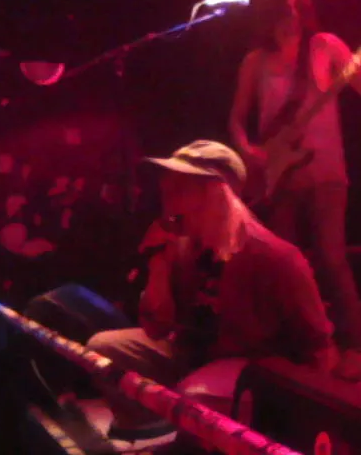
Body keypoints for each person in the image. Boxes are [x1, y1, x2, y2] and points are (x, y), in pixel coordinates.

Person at [78, 140, 337, 441]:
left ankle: (208, 436)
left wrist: (308, 420)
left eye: (179, 190)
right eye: (166, 190)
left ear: (215, 192)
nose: (168, 203)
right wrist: (158, 261)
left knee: (195, 393)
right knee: (102, 347)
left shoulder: (273, 256)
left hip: (251, 367)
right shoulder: (184, 247)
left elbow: (319, 346)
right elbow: (156, 328)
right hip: (193, 352)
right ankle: (154, 428)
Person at [228, 0, 361, 378]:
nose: (292, 16)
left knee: (331, 257)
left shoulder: (324, 47)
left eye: (298, 6)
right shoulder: (255, 62)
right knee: (286, 265)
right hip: (280, 175)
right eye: (284, 8)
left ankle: (352, 346)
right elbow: (237, 120)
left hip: (326, 170)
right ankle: (297, 348)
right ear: (269, 14)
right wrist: (249, 151)